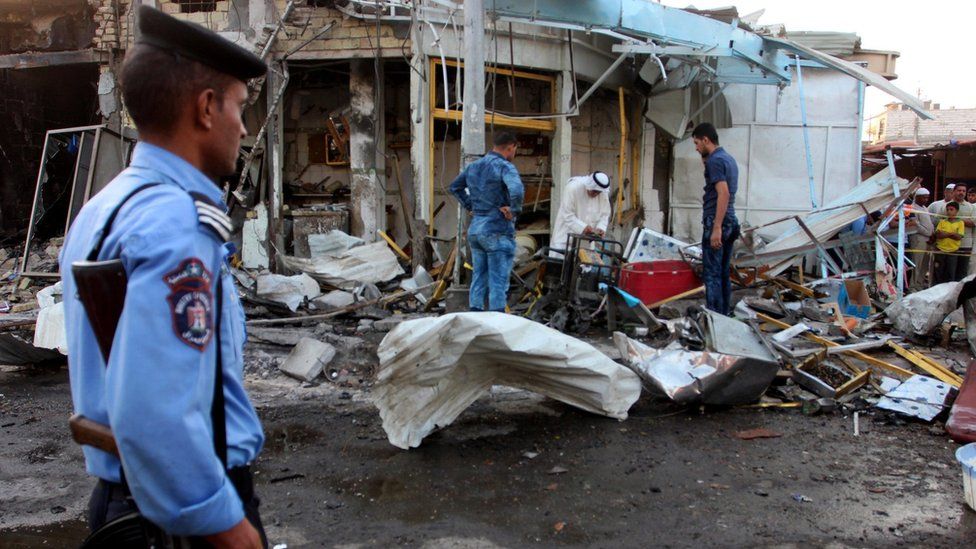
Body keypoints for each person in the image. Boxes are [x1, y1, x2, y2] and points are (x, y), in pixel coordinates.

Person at [60, 6, 267, 547]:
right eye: (240, 108)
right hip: (178, 518)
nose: (244, 128)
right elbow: (158, 413)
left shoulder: (105, 206)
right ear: (205, 108)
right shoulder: (177, 222)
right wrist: (224, 525)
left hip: (122, 498)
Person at [449, 131, 525, 312]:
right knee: (498, 282)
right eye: (515, 150)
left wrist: (471, 206)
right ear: (510, 147)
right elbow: (516, 190)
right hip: (497, 230)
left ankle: (475, 317)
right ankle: (496, 323)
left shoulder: (473, 166)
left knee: (479, 278)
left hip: (476, 230)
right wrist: (514, 211)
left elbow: (455, 187)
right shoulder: (505, 167)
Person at [692, 122, 740, 316]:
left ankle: (714, 317)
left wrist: (716, 227)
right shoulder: (728, 159)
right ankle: (724, 315)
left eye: (696, 143)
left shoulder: (715, 162)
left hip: (717, 220)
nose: (696, 148)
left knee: (711, 274)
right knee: (722, 272)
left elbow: (724, 193)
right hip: (731, 219)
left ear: (706, 140)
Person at [549, 172, 612, 259]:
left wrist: (600, 227)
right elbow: (567, 214)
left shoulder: (602, 193)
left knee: (583, 268)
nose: (596, 194)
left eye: (598, 192)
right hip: (565, 238)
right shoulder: (573, 188)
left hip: (585, 242)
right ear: (590, 185)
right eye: (594, 191)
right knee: (559, 267)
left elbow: (605, 214)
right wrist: (583, 227)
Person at [930, 183, 975, 280]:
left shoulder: (971, 207)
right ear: (953, 191)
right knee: (946, 272)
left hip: (965, 244)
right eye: (959, 190)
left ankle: (959, 294)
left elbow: (973, 222)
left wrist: (956, 219)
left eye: (963, 191)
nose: (961, 193)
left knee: (962, 272)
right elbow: (937, 221)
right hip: (946, 245)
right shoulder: (945, 206)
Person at [907, 188, 934, 291]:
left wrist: (931, 234)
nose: (926, 199)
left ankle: (919, 284)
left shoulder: (925, 208)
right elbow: (916, 225)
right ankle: (912, 286)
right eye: (924, 197)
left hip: (928, 239)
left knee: (924, 264)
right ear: (917, 197)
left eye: (927, 197)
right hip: (918, 239)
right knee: (917, 264)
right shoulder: (912, 207)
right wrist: (928, 233)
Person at [934, 201, 965, 284]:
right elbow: (938, 235)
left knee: (950, 272)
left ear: (956, 211)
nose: (949, 211)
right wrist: (952, 233)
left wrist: (945, 234)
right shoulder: (942, 222)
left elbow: (958, 237)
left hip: (953, 251)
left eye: (951, 209)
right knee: (938, 271)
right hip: (940, 249)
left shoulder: (960, 222)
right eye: (947, 210)